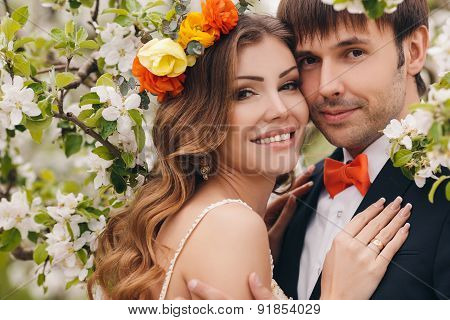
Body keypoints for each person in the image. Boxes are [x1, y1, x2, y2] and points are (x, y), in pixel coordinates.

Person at [87, 9, 412, 300]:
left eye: (288, 85)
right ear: (201, 114)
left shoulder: (211, 219)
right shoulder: (232, 227)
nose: (280, 109)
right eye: (245, 93)